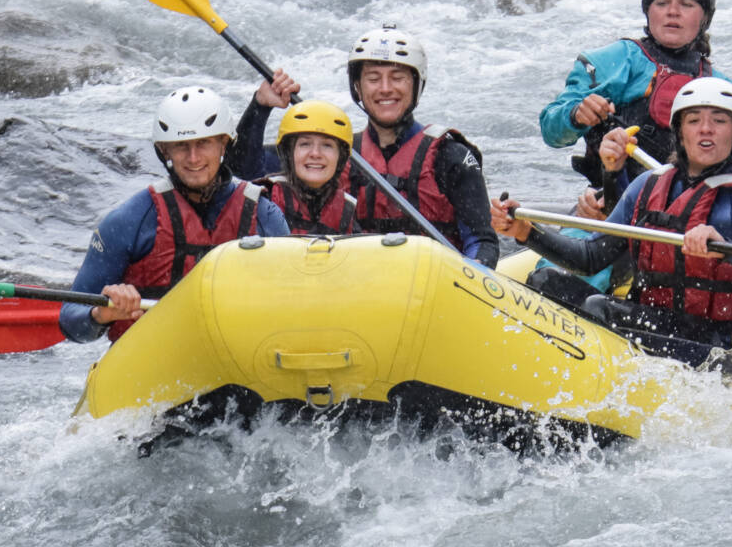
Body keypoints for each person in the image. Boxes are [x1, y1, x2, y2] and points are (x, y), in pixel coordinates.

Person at [494, 78, 732, 352]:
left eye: (719, 120)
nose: (706, 129)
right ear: (679, 131)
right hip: (651, 322)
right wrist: (526, 232)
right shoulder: (648, 185)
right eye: (694, 120)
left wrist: (728, 252)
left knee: (600, 307)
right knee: (547, 281)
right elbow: (590, 257)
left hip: (718, 345)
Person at [226, 28, 499, 265]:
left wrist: (474, 270)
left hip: (430, 292)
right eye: (372, 78)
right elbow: (243, 172)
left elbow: (482, 241)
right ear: (357, 86)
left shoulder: (449, 157)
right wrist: (259, 107)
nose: (385, 88)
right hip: (354, 290)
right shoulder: (334, 152)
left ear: (417, 84)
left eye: (397, 77)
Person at [61, 85, 290, 343]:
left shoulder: (265, 216)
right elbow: (70, 319)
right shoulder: (130, 221)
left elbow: (293, 305)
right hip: (153, 364)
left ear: (223, 144)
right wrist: (102, 314)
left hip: (238, 363)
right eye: (181, 146)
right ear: (165, 151)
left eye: (203, 143)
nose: (193, 158)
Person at [538, 0, 728, 196]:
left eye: (686, 4)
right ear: (648, 11)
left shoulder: (721, 86)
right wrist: (576, 115)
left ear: (704, 17)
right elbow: (551, 131)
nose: (672, 12)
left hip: (689, 209)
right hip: (607, 204)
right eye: (661, 2)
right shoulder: (613, 61)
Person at [256, 99, 361, 235]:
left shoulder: (347, 210)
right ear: (289, 153)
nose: (316, 154)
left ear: (340, 158)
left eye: (327, 145)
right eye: (305, 144)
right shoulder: (265, 202)